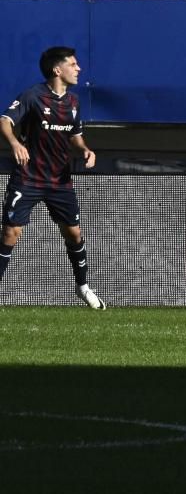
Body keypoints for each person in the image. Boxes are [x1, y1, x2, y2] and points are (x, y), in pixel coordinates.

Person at [0, 47, 104, 309]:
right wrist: (14, 143)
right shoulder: (33, 96)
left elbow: (74, 136)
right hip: (28, 177)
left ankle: (83, 287)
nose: (78, 69)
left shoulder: (73, 102)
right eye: (73, 64)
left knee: (74, 234)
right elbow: (4, 120)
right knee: (11, 233)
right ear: (58, 70)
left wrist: (85, 150)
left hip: (59, 180)